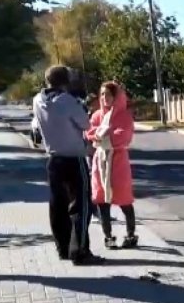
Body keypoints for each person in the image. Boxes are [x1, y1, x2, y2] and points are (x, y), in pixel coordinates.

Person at [32, 65, 104, 265]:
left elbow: (37, 127)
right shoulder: (68, 101)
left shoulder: (38, 100)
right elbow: (86, 125)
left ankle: (63, 248)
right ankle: (80, 251)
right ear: (66, 81)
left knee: (58, 206)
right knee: (81, 206)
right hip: (74, 159)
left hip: (54, 160)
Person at [86, 81, 138, 249]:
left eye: (108, 94)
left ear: (116, 97)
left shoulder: (124, 116)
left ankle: (131, 234)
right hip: (100, 161)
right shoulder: (97, 115)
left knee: (124, 200)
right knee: (102, 200)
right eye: (102, 94)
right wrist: (103, 135)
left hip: (118, 162)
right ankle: (108, 235)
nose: (104, 98)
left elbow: (122, 136)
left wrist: (103, 137)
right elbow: (89, 132)